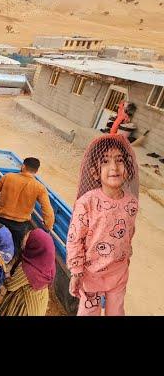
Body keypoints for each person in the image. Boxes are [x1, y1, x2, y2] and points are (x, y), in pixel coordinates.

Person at [66, 134, 138, 316]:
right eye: (105, 161)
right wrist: (76, 272)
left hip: (119, 273)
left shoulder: (132, 203)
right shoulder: (87, 202)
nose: (114, 167)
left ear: (128, 169)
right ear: (94, 172)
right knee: (89, 313)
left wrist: (126, 258)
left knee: (117, 312)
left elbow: (129, 233)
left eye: (119, 160)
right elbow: (75, 239)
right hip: (91, 275)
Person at [0, 157, 54, 254]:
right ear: (36, 171)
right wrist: (48, 225)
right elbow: (48, 210)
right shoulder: (39, 187)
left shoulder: (8, 177)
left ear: (23, 166)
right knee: (13, 250)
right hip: (20, 225)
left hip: (0, 220)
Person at [0, 228, 55, 316]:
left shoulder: (29, 270)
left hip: (25, 306)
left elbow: (10, 285)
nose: (24, 238)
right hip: (39, 302)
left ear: (35, 245)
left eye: (28, 237)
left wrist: (5, 273)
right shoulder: (44, 264)